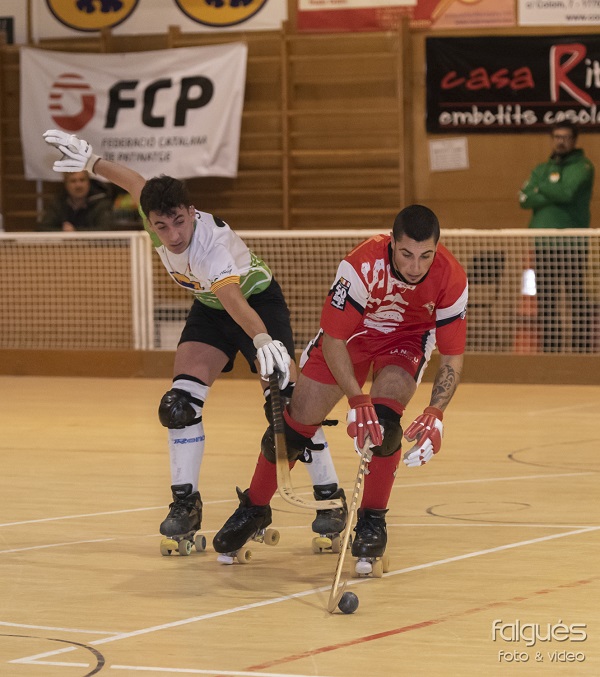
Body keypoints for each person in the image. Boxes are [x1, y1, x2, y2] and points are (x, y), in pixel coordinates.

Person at [42, 129, 347, 552]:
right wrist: (93, 162)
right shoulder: (155, 216)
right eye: (161, 226)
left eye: (179, 222)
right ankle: (185, 505)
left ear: (191, 211)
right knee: (179, 405)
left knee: (289, 402)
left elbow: (234, 298)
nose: (172, 235)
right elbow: (133, 181)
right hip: (210, 308)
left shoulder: (210, 246)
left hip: (256, 303)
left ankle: (330, 498)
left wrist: (261, 337)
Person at [213, 204, 468, 570]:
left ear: (437, 248)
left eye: (425, 255)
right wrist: (357, 397)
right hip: (351, 339)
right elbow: (333, 339)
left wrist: (435, 412)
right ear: (392, 243)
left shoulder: (451, 277)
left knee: (385, 428)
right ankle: (254, 509)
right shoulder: (360, 266)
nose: (415, 266)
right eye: (406, 254)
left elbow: (452, 358)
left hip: (406, 341)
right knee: (290, 429)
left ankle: (372, 521)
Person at [519, 121, 595, 353]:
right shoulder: (542, 168)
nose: (560, 141)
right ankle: (550, 353)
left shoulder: (583, 167)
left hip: (572, 245)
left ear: (574, 140)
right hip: (543, 245)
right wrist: (549, 190)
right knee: (547, 303)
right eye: (557, 137)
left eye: (565, 137)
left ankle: (581, 352)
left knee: (576, 300)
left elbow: (567, 193)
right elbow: (524, 199)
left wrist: (540, 188)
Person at [38, 170, 115, 231]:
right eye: (73, 181)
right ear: (66, 184)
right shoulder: (58, 203)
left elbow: (105, 230)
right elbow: (43, 228)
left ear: (89, 182)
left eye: (82, 180)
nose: (78, 185)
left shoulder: (101, 202)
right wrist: (63, 232)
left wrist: (76, 232)